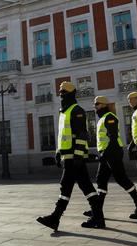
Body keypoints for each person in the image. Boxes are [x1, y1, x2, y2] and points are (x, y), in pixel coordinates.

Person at [36, 81, 105, 231]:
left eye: (64, 93)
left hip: (74, 157)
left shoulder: (77, 110)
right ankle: (98, 218)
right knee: (86, 187)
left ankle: (55, 217)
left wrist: (79, 156)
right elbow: (63, 135)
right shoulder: (64, 112)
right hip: (68, 156)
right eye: (60, 93)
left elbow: (82, 135)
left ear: (72, 94)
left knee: (66, 186)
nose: (61, 95)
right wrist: (58, 152)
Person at [83, 96, 137, 219]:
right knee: (101, 180)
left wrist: (105, 154)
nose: (95, 106)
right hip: (106, 154)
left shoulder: (110, 117)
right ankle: (96, 210)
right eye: (94, 104)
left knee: (122, 179)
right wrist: (103, 154)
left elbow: (113, 138)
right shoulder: (102, 118)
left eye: (96, 104)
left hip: (112, 153)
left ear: (103, 105)